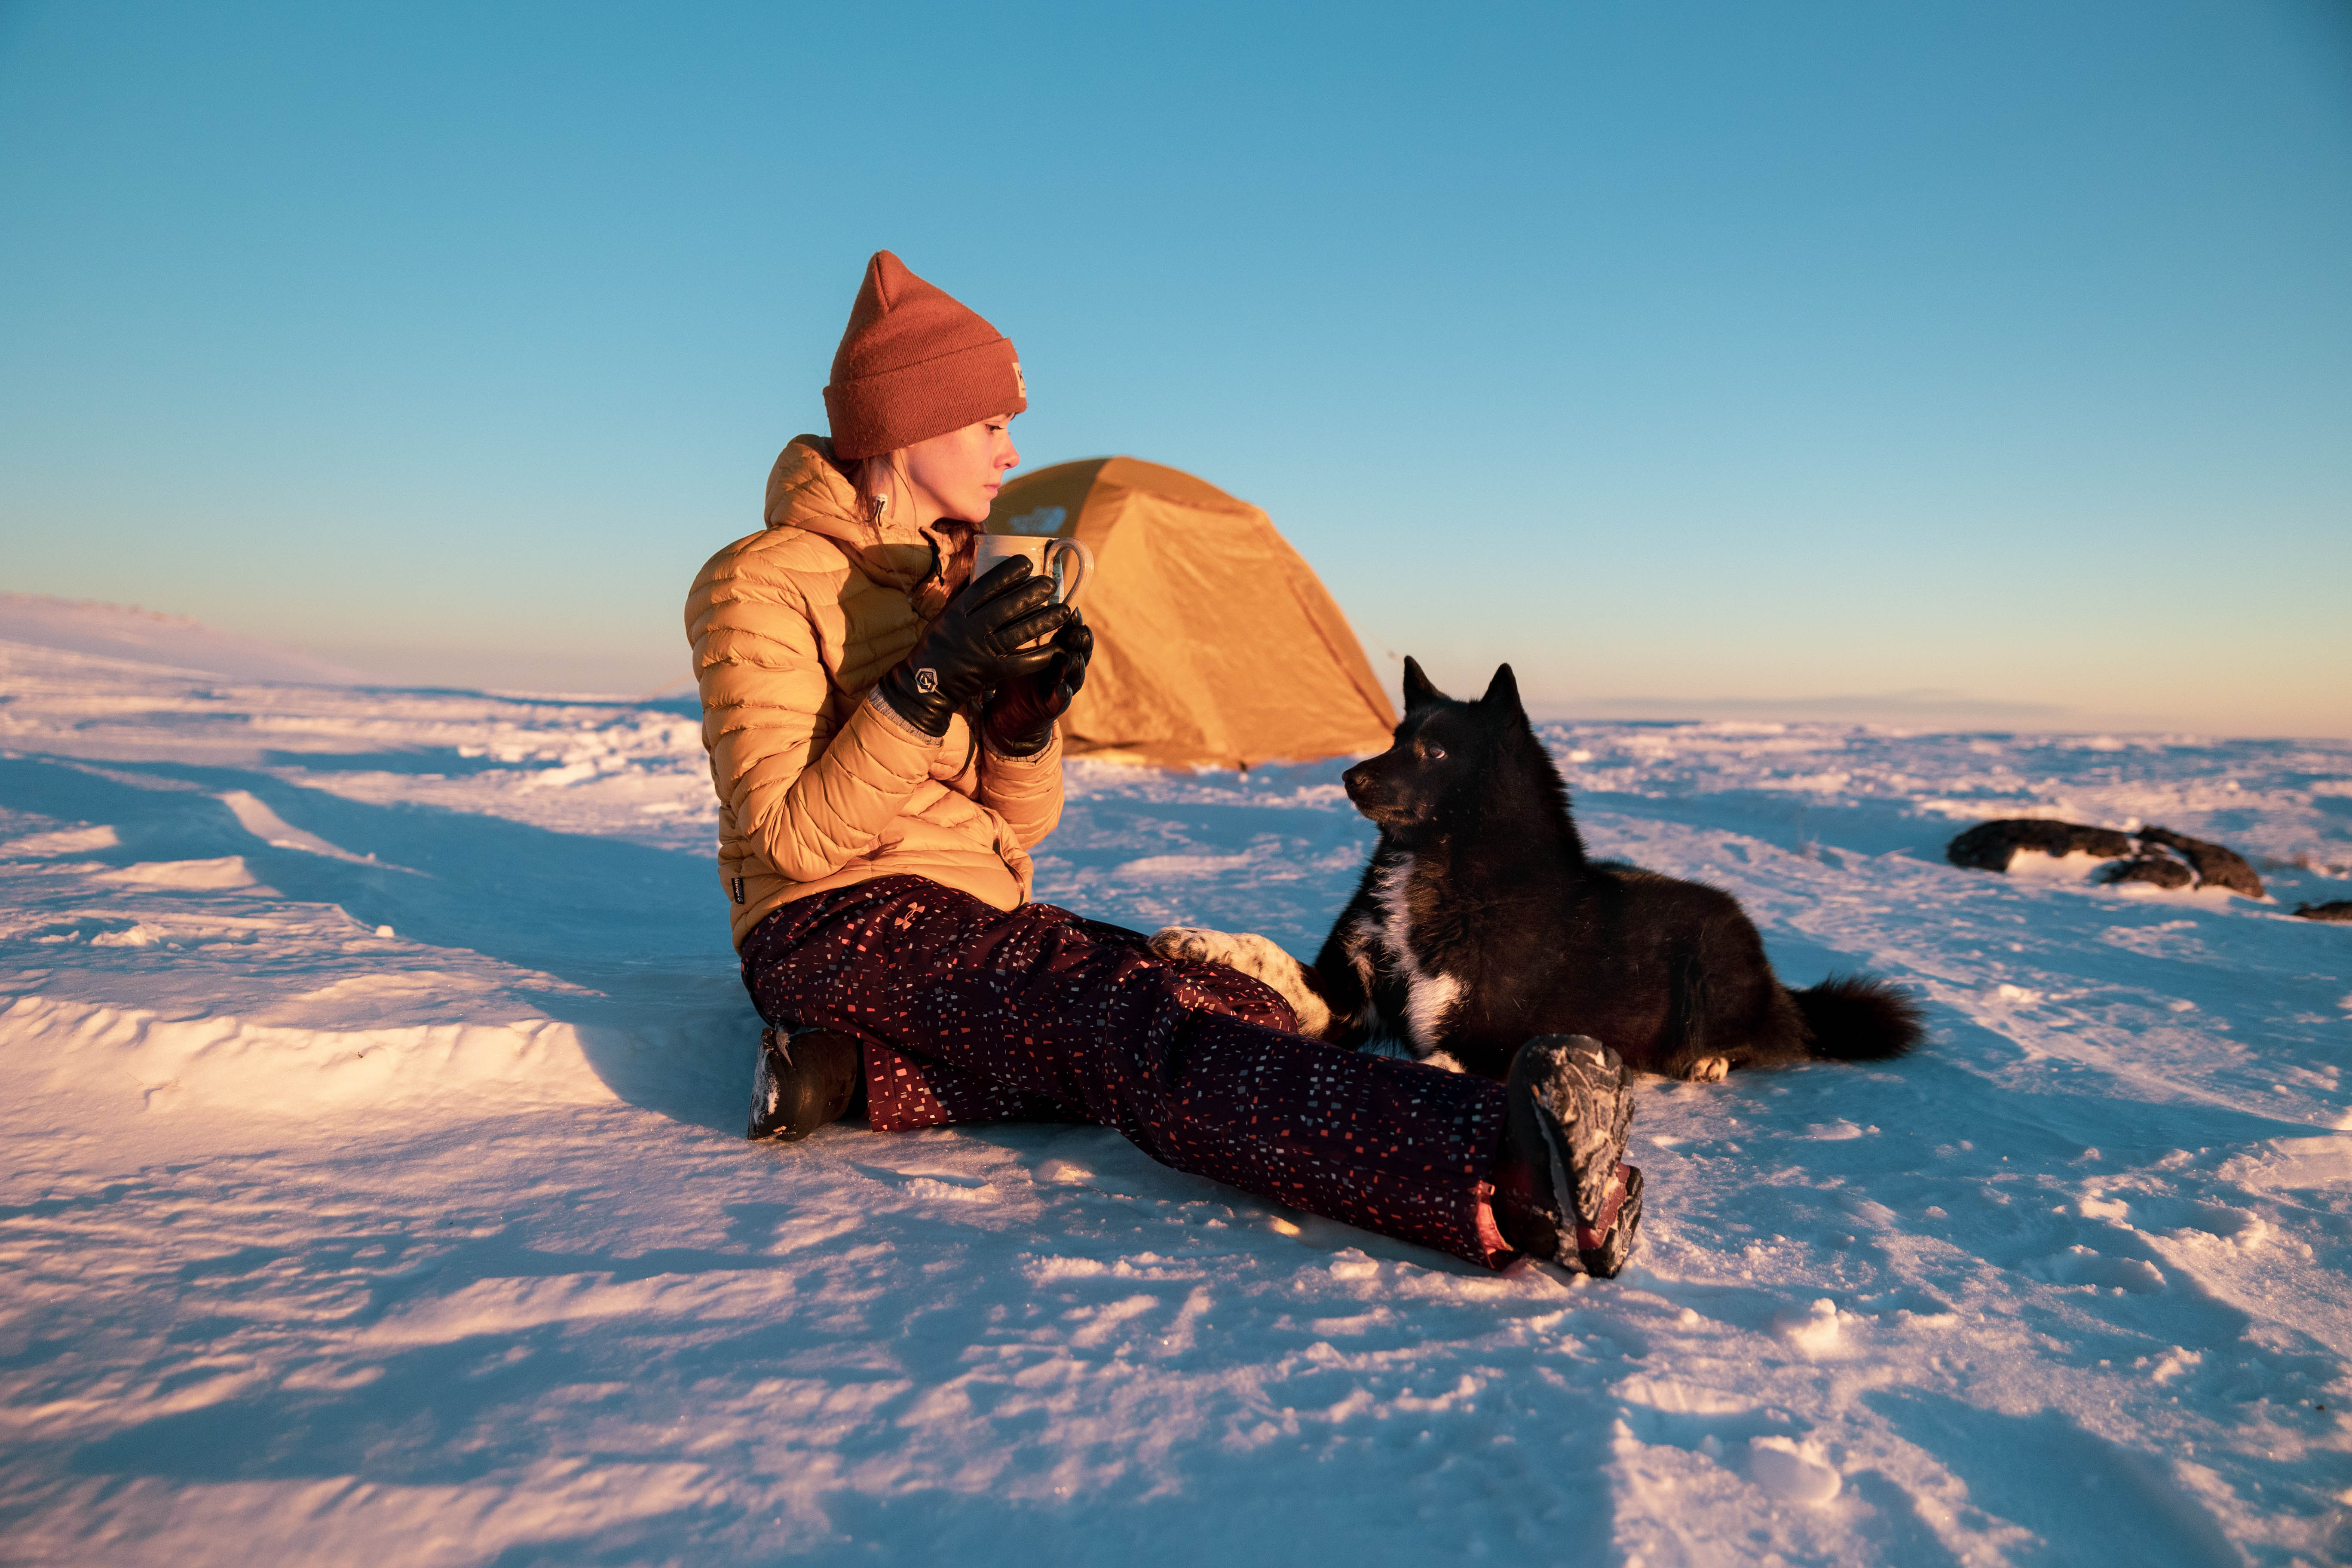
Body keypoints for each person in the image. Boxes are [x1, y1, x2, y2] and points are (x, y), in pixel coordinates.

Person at [683, 251, 1643, 1276]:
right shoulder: (760, 582)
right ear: (908, 426)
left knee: (1248, 1006)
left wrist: (1022, 721)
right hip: (833, 924)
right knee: (1132, 1023)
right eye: (991, 425)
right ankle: (1501, 1166)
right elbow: (788, 834)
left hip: (973, 918)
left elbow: (1020, 829)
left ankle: (852, 1077)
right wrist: (925, 688)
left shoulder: (963, 577)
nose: (1012, 454)